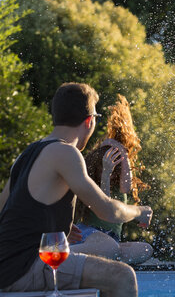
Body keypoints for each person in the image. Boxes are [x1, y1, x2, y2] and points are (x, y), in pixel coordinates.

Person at [0, 83, 152, 296]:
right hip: (26, 267)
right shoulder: (66, 153)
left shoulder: (26, 154)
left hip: (8, 266)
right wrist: (139, 211)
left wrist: (51, 228)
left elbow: (5, 211)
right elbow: (108, 211)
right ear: (89, 121)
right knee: (122, 277)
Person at [71, 94, 153, 265]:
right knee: (108, 247)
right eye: (109, 167)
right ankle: (58, 254)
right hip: (90, 234)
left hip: (111, 240)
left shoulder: (120, 189)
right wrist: (106, 173)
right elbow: (105, 206)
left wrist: (122, 152)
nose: (117, 170)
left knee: (145, 249)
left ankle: (107, 255)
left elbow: (126, 185)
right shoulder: (92, 186)